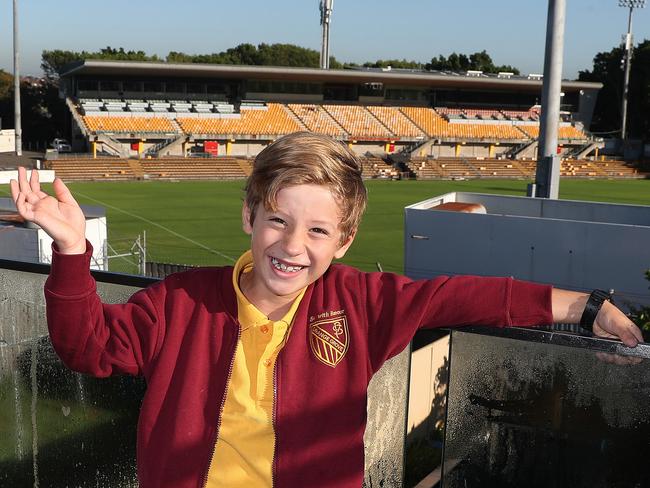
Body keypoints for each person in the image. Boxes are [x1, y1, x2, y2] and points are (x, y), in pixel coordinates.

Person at [10, 132, 642, 488]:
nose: (291, 246)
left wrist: (583, 307)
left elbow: (465, 295)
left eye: (317, 232)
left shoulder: (359, 304)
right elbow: (86, 347)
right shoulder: (179, 301)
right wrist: (72, 250)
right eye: (278, 221)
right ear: (249, 217)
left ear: (343, 244)